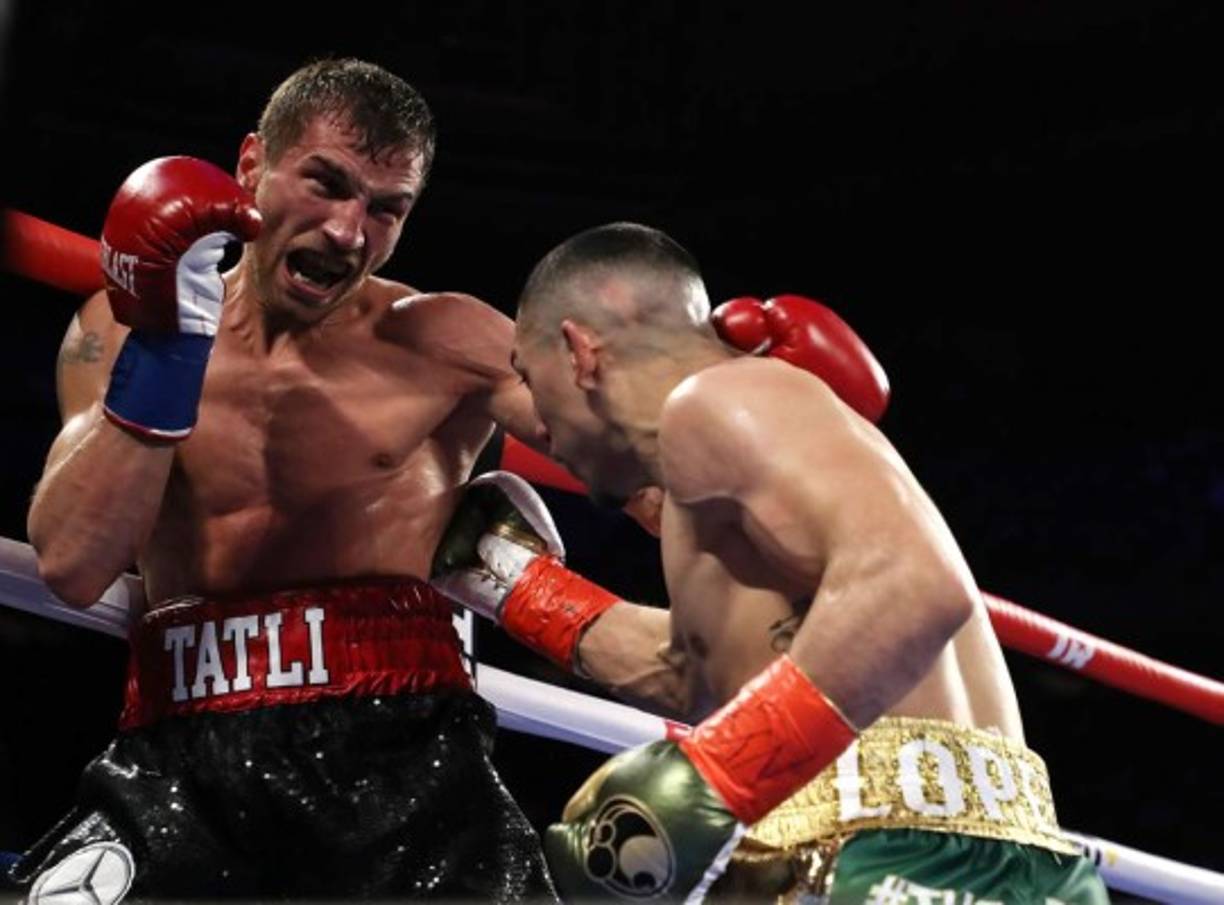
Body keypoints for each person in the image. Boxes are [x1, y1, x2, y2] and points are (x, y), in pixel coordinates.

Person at [11, 57, 560, 902]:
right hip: (180, 759)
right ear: (249, 168)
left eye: (386, 208)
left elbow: (641, 462)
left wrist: (742, 397)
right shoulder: (116, 331)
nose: (349, 231)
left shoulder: (448, 339)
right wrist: (172, 347)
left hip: (402, 756)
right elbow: (75, 566)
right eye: (327, 184)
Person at [433, 222, 1111, 902]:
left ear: (580, 352)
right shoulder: (712, 476)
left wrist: (722, 772)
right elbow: (697, 672)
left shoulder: (717, 399)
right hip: (947, 846)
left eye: (529, 376)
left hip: (889, 847)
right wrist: (509, 578)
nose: (538, 424)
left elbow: (917, 586)